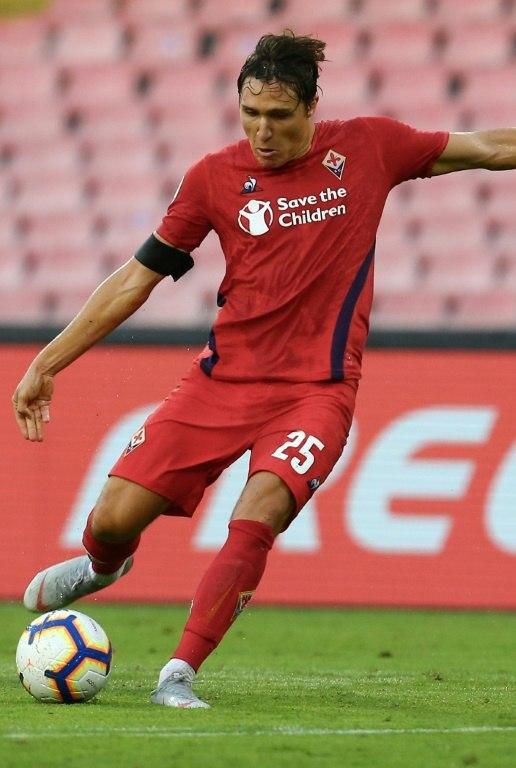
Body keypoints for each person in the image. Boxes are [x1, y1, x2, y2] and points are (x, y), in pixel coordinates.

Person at [12, 31, 516, 709]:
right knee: (110, 520)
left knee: (259, 513)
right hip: (220, 384)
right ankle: (104, 564)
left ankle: (179, 673)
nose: (263, 131)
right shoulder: (213, 178)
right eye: (250, 114)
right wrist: (48, 362)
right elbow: (137, 279)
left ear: (313, 107)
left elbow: (487, 148)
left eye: (279, 117)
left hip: (317, 391)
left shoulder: (370, 147)